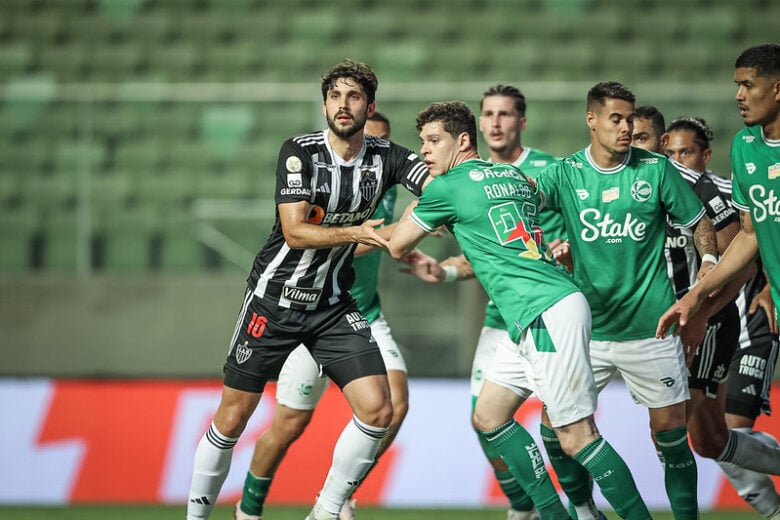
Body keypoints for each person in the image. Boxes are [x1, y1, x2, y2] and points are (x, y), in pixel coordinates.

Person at [185, 60, 430, 520]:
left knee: (380, 410)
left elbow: (438, 186)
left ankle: (327, 510)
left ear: (369, 106)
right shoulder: (299, 152)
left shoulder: (388, 157)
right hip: (274, 298)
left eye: (354, 96)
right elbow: (295, 232)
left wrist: (430, 216)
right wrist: (360, 232)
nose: (343, 104)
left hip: (332, 306)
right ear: (324, 105)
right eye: (335, 96)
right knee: (233, 419)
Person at [388, 100, 651, 520]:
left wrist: (411, 210)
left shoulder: (445, 187)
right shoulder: (510, 174)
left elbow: (399, 244)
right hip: (537, 310)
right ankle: (553, 514)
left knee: (577, 437)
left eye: (434, 141)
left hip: (545, 309)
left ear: (462, 141)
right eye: (422, 143)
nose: (425, 151)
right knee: (489, 415)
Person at [536, 82, 714, 519]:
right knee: (553, 428)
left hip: (650, 327)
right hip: (588, 331)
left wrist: (708, 259)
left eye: (630, 119)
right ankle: (584, 509)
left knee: (670, 435)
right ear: (591, 120)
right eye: (616, 118)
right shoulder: (565, 174)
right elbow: (521, 206)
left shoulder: (654, 169)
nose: (626, 127)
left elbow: (699, 220)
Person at [233, 112, 410, 520]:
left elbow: (405, 222)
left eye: (384, 144)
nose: (375, 151)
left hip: (362, 314)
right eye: (371, 140)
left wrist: (414, 227)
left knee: (394, 405)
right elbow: (331, 243)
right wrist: (395, 233)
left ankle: (336, 501)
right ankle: (248, 509)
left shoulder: (387, 186)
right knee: (288, 425)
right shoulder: (328, 182)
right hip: (311, 314)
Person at [657, 43, 780, 518]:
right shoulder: (747, 149)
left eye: (748, 85)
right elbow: (749, 238)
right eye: (736, 86)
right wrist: (697, 298)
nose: (739, 95)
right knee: (708, 436)